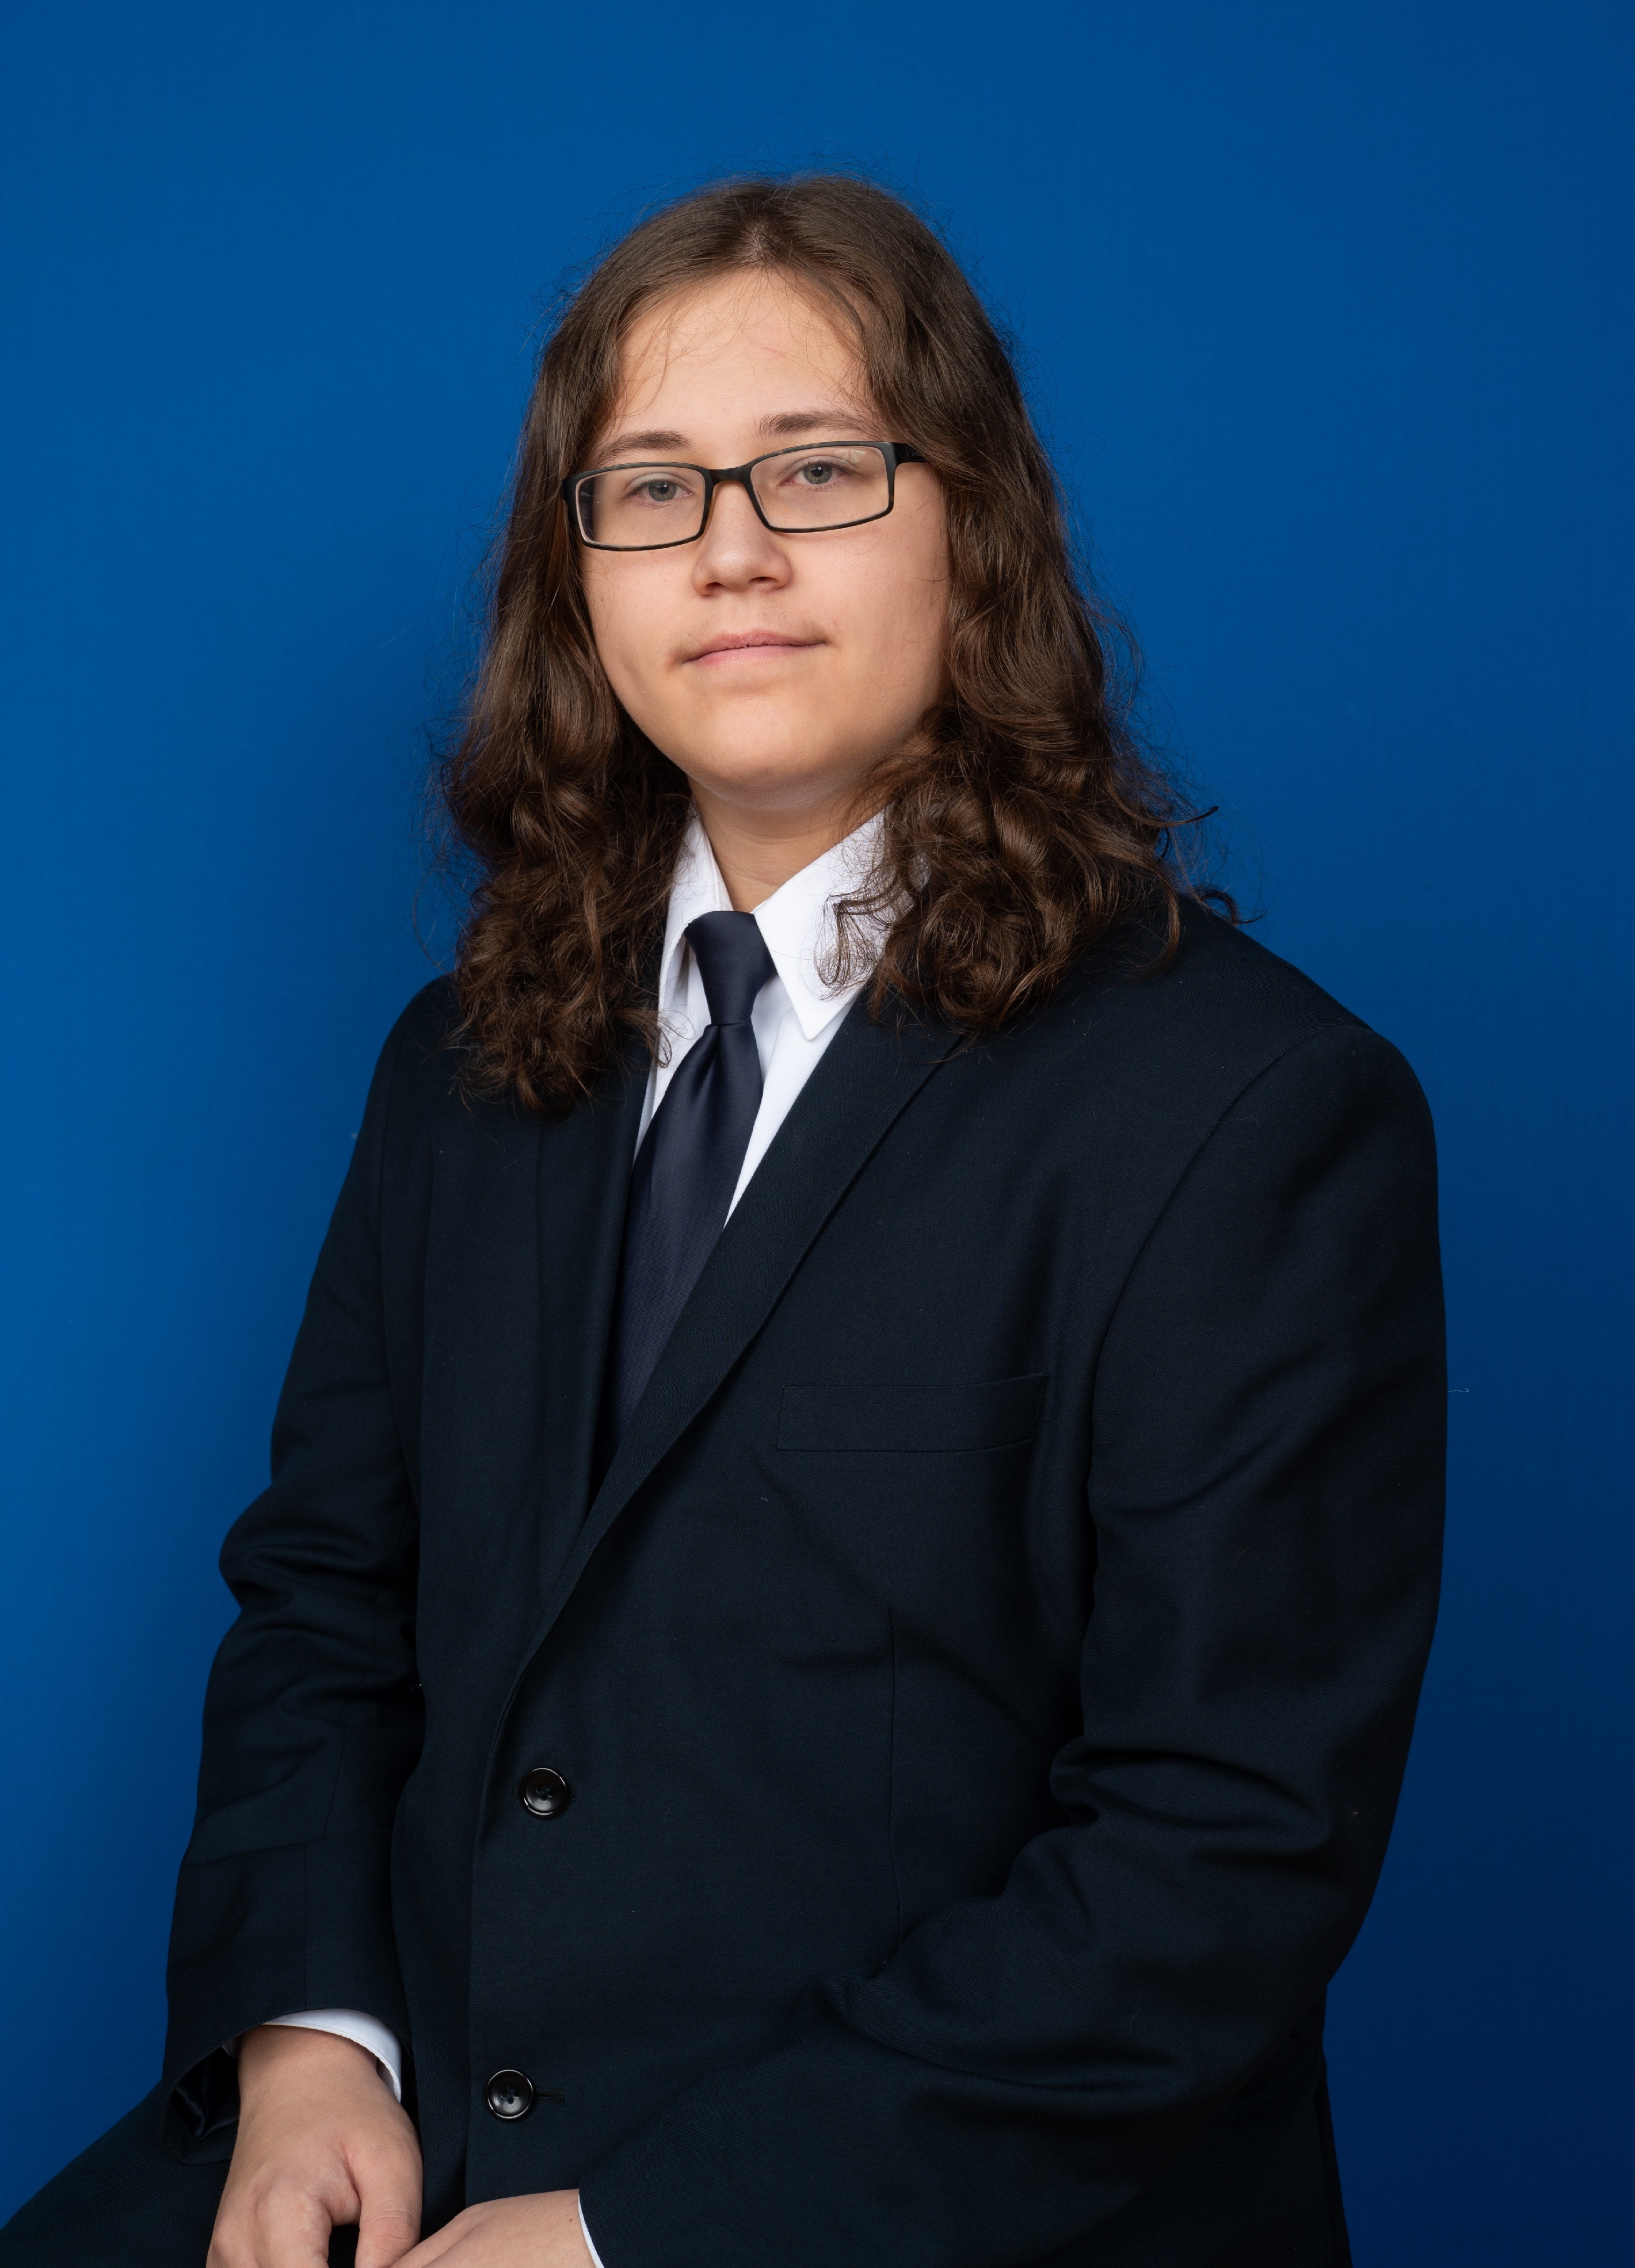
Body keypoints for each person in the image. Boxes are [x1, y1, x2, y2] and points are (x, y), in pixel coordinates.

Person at [0, 174, 1444, 2268]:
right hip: (403, 2140)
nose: (732, 549)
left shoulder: (1252, 1110)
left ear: (975, 527)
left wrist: (624, 2237)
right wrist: (312, 2041)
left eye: (819, 468)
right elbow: (325, 1600)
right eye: (653, 486)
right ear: (576, 576)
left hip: (883, 2207)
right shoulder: (459, 1065)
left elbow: (1219, 1853)